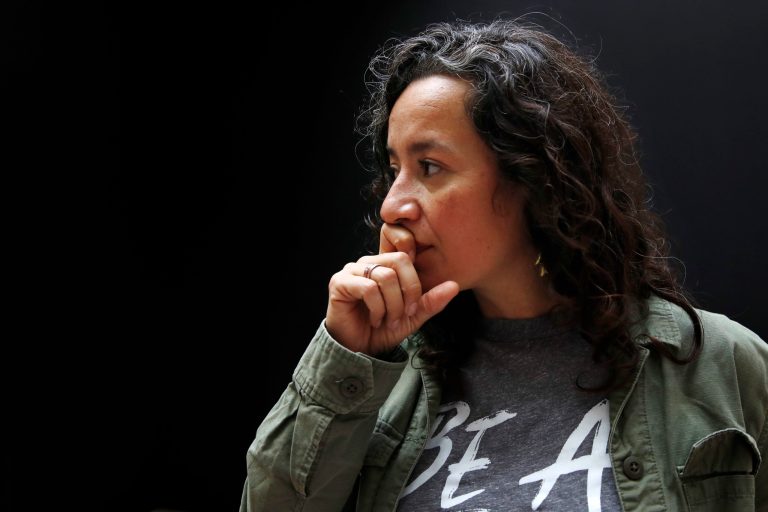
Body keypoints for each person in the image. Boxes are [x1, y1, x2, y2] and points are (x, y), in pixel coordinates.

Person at [239, 19, 767, 512]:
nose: (392, 206)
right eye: (394, 167)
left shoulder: (721, 366)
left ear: (531, 180)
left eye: (430, 166)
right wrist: (345, 360)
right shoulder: (379, 373)